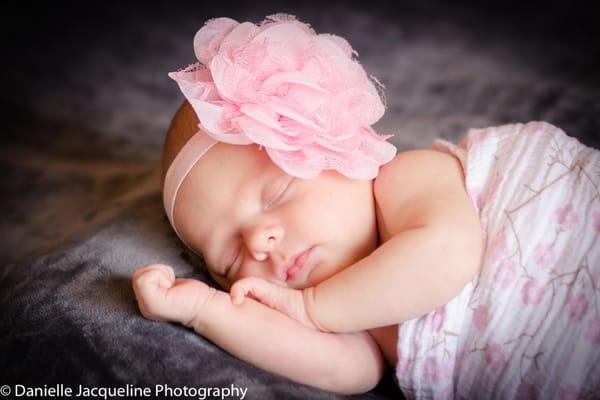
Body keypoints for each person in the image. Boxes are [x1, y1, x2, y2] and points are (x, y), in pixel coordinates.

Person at [132, 14, 600, 398]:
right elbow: (343, 373)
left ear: (342, 150)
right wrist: (201, 310)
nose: (257, 242)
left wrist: (312, 309)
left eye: (277, 193)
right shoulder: (353, 329)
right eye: (228, 260)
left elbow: (447, 255)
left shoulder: (408, 179)